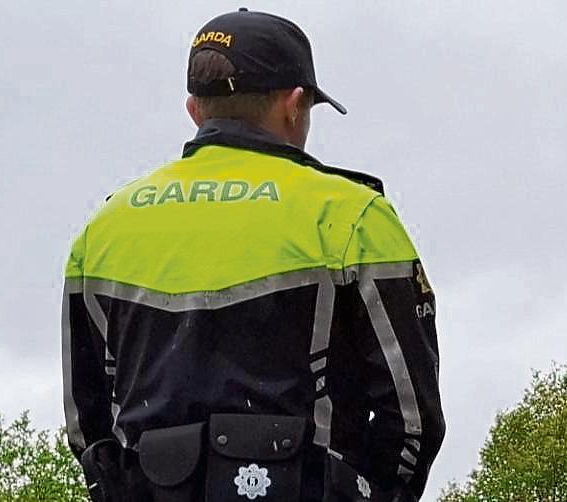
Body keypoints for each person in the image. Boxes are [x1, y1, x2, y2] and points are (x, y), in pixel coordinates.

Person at [62, 8, 444, 502]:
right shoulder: (353, 215)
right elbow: (412, 420)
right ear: (294, 104)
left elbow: (88, 425)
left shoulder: (104, 228)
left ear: (195, 110)